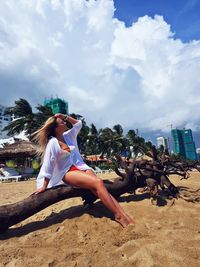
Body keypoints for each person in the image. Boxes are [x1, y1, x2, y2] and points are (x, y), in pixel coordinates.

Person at [33, 113, 134, 227]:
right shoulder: (53, 142)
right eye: (62, 122)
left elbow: (78, 124)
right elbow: (48, 164)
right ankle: (119, 216)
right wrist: (44, 186)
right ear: (57, 128)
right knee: (98, 182)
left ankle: (123, 214)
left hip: (80, 166)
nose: (65, 123)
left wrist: (65, 116)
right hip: (66, 171)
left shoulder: (68, 135)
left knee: (100, 187)